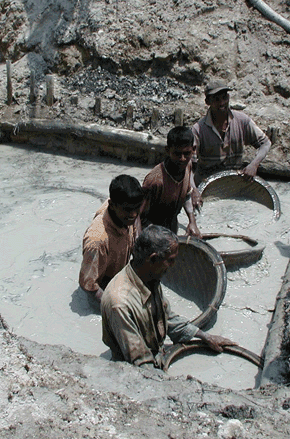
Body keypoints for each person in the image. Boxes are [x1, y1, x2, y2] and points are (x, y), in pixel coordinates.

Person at [101, 225, 235, 367]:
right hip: (130, 369)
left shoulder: (149, 276)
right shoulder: (120, 303)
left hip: (156, 352)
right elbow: (140, 363)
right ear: (153, 259)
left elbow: (167, 318)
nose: (173, 265)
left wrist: (205, 336)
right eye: (170, 260)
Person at [191, 80, 271, 185]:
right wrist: (193, 190)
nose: (222, 103)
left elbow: (265, 143)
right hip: (206, 182)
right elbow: (188, 164)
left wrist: (254, 165)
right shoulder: (198, 129)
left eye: (224, 98)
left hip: (233, 181)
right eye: (216, 99)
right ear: (208, 102)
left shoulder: (242, 121)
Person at [79, 174, 144, 303]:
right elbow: (89, 286)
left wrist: (138, 239)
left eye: (137, 208)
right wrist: (116, 306)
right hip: (103, 287)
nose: (134, 214)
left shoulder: (125, 206)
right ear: (111, 205)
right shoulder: (97, 241)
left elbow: (135, 216)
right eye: (128, 210)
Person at [140, 126, 201, 238]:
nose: (182, 159)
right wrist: (158, 237)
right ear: (167, 150)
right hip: (152, 232)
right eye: (177, 154)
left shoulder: (187, 166)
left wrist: (192, 222)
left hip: (171, 225)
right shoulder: (155, 181)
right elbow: (139, 217)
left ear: (193, 149)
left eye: (187, 153)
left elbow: (187, 195)